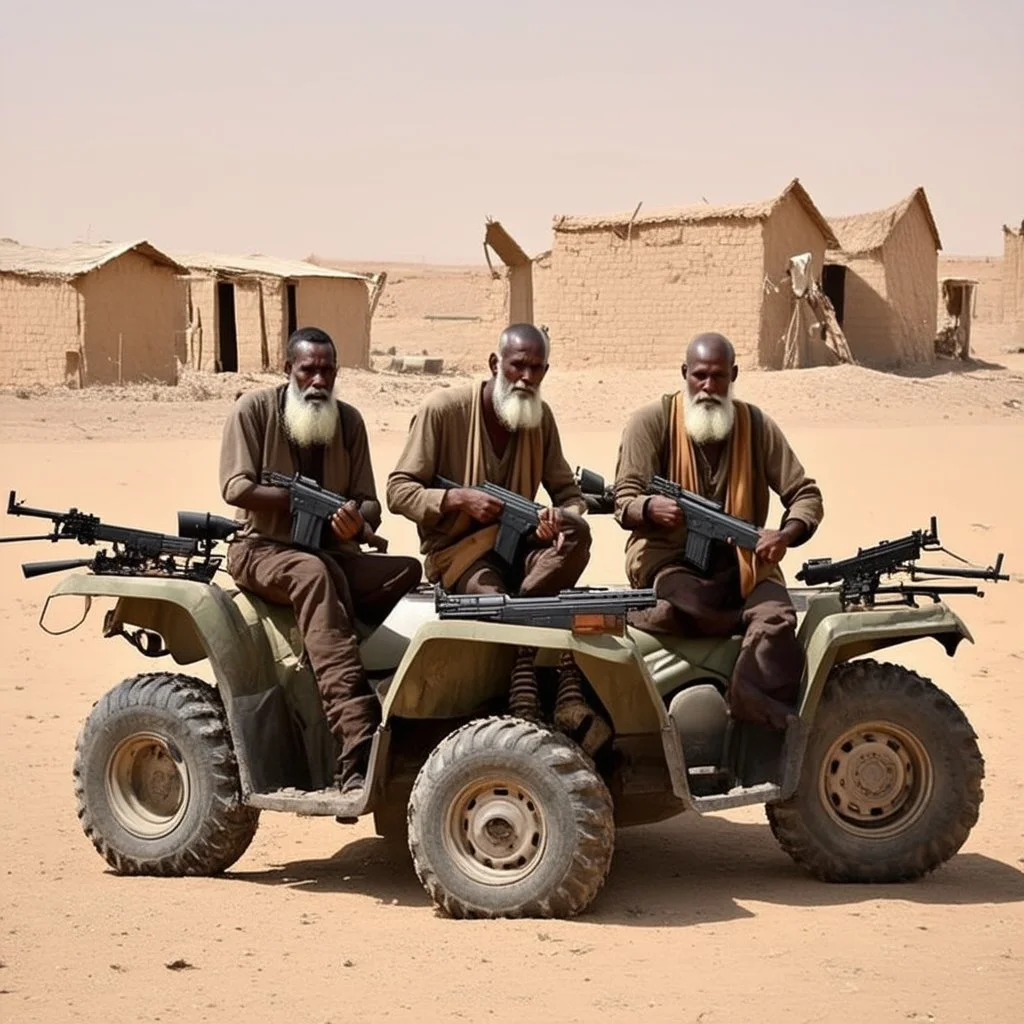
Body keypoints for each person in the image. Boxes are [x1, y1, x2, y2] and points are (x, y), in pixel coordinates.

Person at [219, 326, 422, 796]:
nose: (318, 380)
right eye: (308, 369)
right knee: (315, 575)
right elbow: (236, 487)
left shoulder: (348, 422)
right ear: (286, 369)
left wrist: (352, 519)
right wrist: (299, 503)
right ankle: (355, 733)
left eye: (327, 370)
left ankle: (337, 637)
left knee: (406, 571)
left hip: (331, 550)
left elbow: (370, 502)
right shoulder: (253, 411)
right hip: (262, 550)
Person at [386, 324, 605, 750]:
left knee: (578, 535)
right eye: (517, 366)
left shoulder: (539, 418)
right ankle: (529, 659)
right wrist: (457, 499)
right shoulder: (443, 410)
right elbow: (398, 490)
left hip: (523, 545)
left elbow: (569, 494)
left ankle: (524, 652)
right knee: (491, 596)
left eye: (536, 369)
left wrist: (559, 519)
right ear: (494, 364)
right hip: (460, 553)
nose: (526, 377)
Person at [613, 332, 824, 730]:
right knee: (689, 601)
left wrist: (785, 534)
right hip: (671, 561)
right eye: (699, 377)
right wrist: (650, 508)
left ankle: (748, 699)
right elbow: (623, 499)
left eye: (718, 377)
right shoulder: (652, 422)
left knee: (777, 618)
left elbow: (805, 494)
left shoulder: (756, 426)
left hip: (743, 564)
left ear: (734, 375)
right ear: (684, 374)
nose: (708, 387)